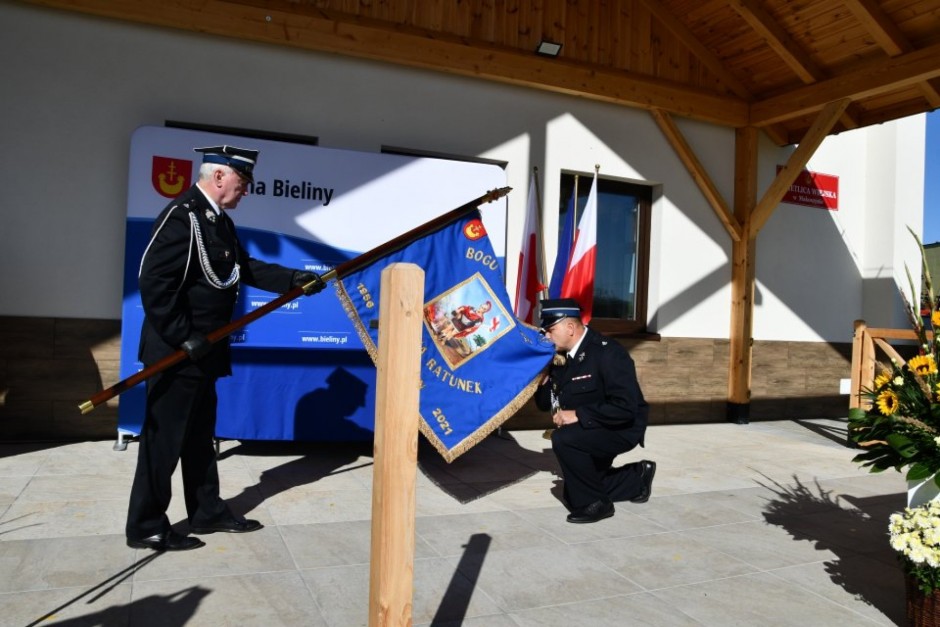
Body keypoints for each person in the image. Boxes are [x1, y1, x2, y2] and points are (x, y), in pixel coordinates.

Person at [126, 145, 325, 551]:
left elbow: (242, 267)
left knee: (200, 439)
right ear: (220, 177)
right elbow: (153, 282)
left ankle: (206, 511)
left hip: (205, 351)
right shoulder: (182, 217)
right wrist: (183, 335)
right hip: (177, 352)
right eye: (243, 181)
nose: (246, 189)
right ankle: (146, 524)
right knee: (163, 443)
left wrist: (294, 278)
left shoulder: (218, 223)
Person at [534, 298, 655, 523]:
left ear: (570, 327)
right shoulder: (562, 359)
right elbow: (544, 404)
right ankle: (636, 478)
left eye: (550, 330)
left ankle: (596, 505)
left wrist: (578, 414)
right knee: (573, 493)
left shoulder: (608, 353)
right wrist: (542, 377)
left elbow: (625, 407)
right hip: (592, 428)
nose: (546, 336)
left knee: (564, 440)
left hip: (620, 427)